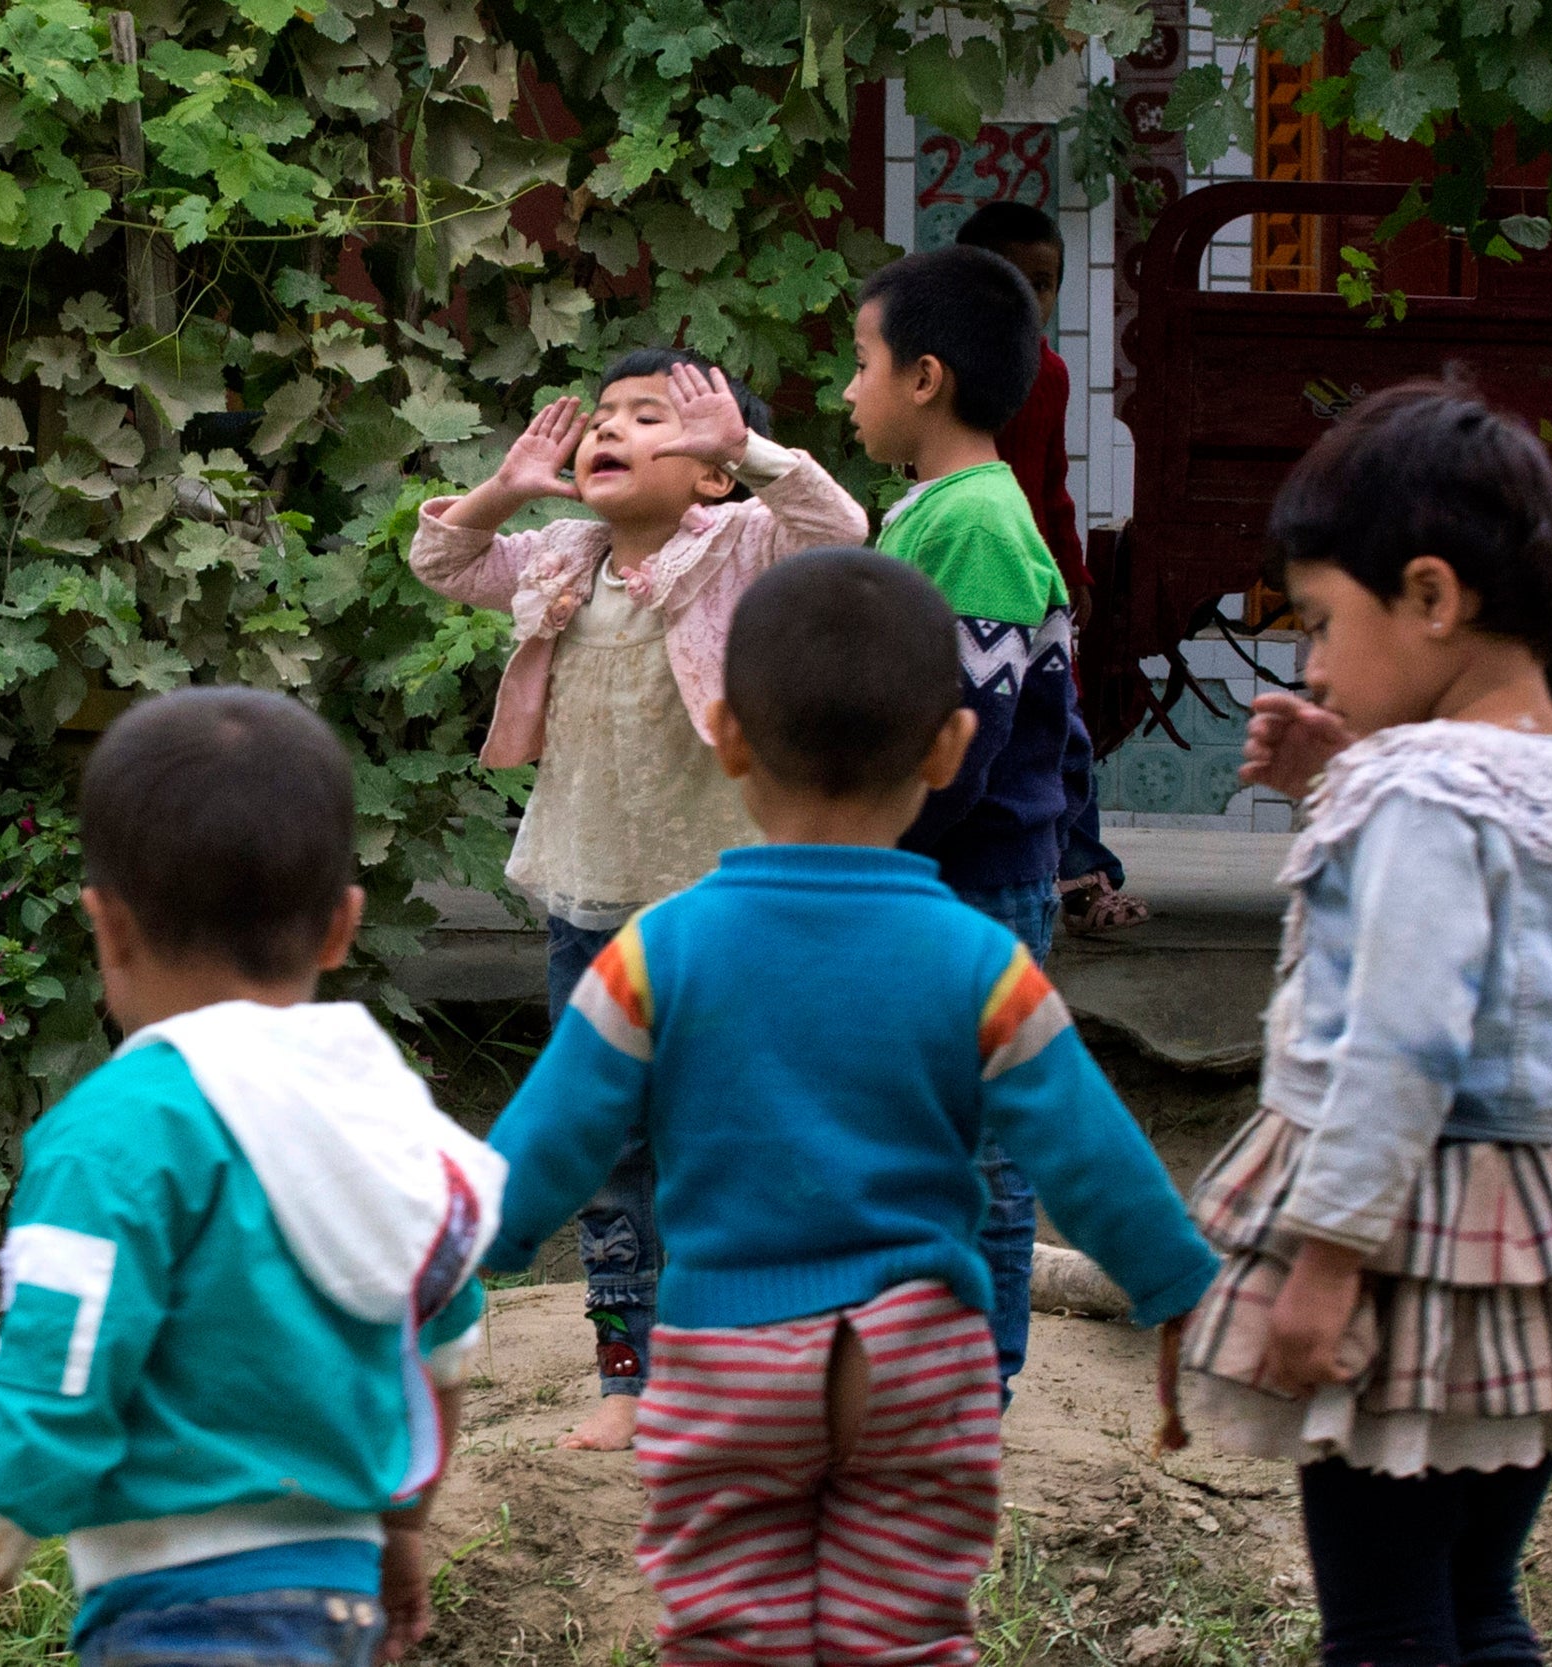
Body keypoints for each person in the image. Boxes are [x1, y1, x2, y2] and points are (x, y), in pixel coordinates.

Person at [482, 549, 1216, 1666]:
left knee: (729, 1640)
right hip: (919, 1359)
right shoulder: (981, 962)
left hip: (725, 1351)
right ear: (949, 747)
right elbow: (1089, 1152)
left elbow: (547, 1147)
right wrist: (1177, 1287)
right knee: (907, 1638)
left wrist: (454, 1252)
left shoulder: (654, 953)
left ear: (724, 734)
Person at [1181, 382, 1552, 1667]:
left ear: (1434, 597)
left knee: (1385, 1619)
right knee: (1479, 1596)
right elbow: (1494, 954)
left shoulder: (1420, 799)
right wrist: (1343, 774)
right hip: (1535, 1234)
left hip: (1405, 1252)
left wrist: (1325, 1259)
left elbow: (1402, 1038)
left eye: (1326, 624)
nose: (1314, 666)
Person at [0, 687, 505, 1667]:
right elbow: (440, 1351)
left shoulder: (116, 1128)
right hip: (338, 1594)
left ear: (107, 927)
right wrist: (401, 1530)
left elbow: (62, 1359)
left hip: (176, 1612)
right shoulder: (385, 1115)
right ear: (341, 926)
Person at [409, 347, 866, 1450]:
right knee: (612, 1150)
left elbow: (839, 530)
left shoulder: (741, 545)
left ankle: (756, 1363)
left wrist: (748, 451)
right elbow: (440, 557)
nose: (607, 429)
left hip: (723, 912)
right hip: (590, 904)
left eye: (649, 417)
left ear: (708, 470)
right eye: (600, 416)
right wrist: (508, 484)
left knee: (733, 1136)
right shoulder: (563, 555)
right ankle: (630, 1378)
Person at [843, 244, 1089, 1394]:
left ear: (924, 377)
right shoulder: (941, 511)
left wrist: (874, 856)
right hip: (953, 875)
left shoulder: (976, 523)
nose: (849, 390)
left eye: (861, 362)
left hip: (970, 880)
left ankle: (972, 1382)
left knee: (982, 1147)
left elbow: (970, 742)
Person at [954, 202, 1147, 936]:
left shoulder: (1052, 373)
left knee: (1061, 727)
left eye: (1044, 282)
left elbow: (1054, 485)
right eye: (1009, 279)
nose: (1029, 297)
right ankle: (1017, 865)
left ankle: (1086, 874)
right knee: (995, 733)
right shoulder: (944, 375)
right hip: (975, 581)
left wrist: (1074, 576)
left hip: (1038, 590)